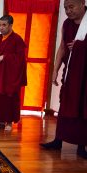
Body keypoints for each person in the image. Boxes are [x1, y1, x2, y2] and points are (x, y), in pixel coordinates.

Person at [40, 0, 87, 158]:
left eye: (71, 7)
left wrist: (82, 46)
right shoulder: (67, 24)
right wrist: (55, 70)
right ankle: (58, 140)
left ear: (82, 3)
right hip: (71, 72)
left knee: (83, 107)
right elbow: (62, 47)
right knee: (65, 105)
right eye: (66, 8)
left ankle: (82, 146)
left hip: (85, 75)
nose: (68, 11)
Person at [0, 15, 27, 131]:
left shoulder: (17, 39)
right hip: (0, 71)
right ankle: (0, 119)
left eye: (4, 25)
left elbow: (20, 58)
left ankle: (9, 122)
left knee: (9, 95)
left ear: (11, 25)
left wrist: (5, 57)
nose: (1, 27)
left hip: (11, 74)